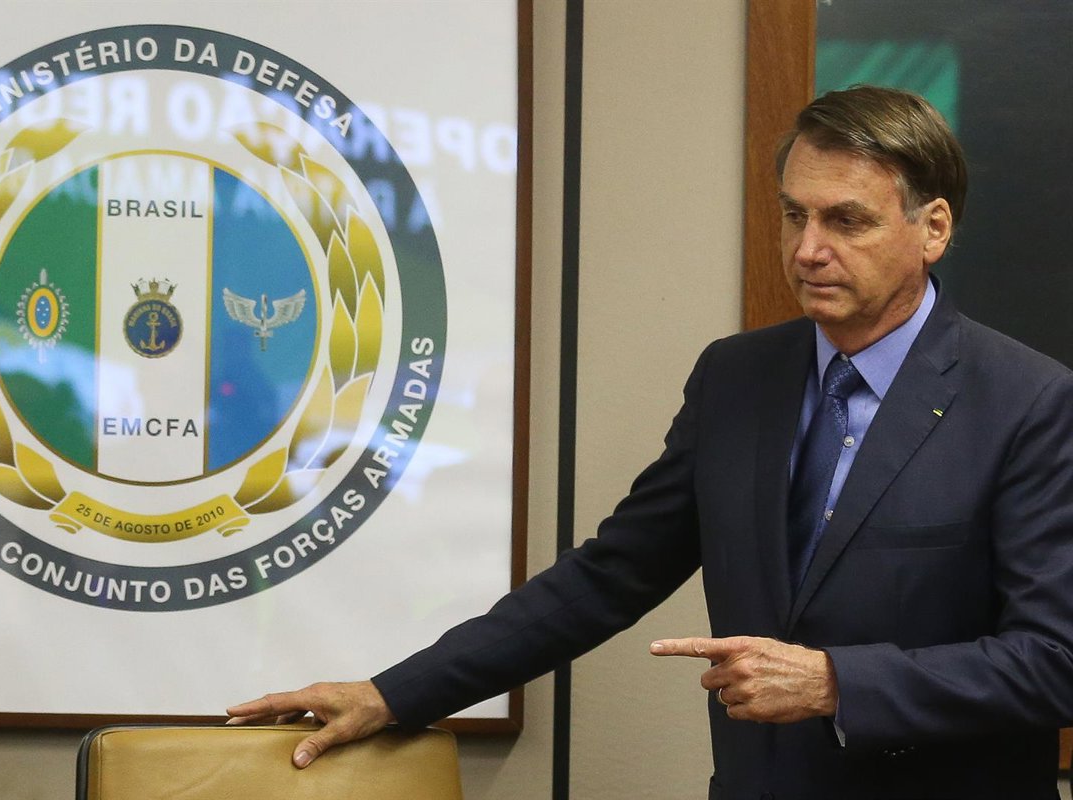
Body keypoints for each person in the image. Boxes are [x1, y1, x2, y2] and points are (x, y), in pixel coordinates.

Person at [227, 86, 1073, 798]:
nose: (809, 249)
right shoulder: (737, 378)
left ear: (933, 228)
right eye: (794, 215)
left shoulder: (1028, 403)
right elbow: (609, 576)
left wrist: (837, 682)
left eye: (846, 221)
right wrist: (391, 694)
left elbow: (1055, 660)